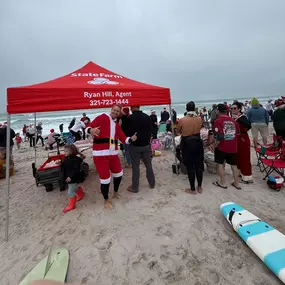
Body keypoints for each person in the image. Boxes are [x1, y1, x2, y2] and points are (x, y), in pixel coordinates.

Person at [85, 105, 137, 208]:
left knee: (118, 174)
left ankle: (115, 193)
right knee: (105, 179)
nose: (115, 112)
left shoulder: (116, 124)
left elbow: (123, 138)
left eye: (117, 111)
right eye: (114, 110)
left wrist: (131, 139)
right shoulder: (102, 117)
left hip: (113, 154)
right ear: (111, 110)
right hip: (100, 154)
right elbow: (88, 127)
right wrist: (91, 130)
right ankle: (106, 200)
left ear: (119, 114)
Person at [177, 101, 204, 194]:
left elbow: (178, 130)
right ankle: (199, 187)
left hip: (187, 143)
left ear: (186, 108)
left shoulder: (182, 120)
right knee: (198, 166)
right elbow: (201, 127)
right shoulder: (199, 118)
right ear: (194, 108)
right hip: (197, 141)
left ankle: (192, 189)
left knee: (190, 167)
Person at [127, 106, 155, 193]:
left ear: (131, 108)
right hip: (146, 145)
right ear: (139, 107)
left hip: (135, 146)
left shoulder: (130, 118)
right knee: (148, 165)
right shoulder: (147, 117)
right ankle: (152, 183)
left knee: (135, 167)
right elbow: (151, 130)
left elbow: (127, 133)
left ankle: (135, 187)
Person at [213, 103, 241, 190]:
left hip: (222, 146)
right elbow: (238, 133)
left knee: (220, 164)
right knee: (234, 165)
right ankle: (237, 183)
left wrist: (215, 145)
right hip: (233, 146)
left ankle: (223, 182)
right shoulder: (234, 121)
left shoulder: (217, 121)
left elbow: (219, 136)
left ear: (218, 111)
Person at [231, 101, 253, 184]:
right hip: (236, 138)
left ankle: (247, 177)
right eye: (232, 108)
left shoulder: (242, 117)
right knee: (238, 157)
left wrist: (238, 118)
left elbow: (249, 125)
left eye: (235, 108)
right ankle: (241, 173)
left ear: (239, 109)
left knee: (244, 157)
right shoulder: (233, 117)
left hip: (243, 138)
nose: (233, 109)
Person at [62, 144, 85, 213]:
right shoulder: (67, 158)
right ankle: (81, 194)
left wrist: (71, 177)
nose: (64, 153)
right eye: (64, 151)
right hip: (68, 176)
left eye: (66, 151)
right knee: (73, 188)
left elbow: (76, 170)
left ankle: (72, 205)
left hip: (73, 177)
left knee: (70, 192)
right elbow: (66, 165)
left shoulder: (75, 160)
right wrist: (61, 163)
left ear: (71, 152)